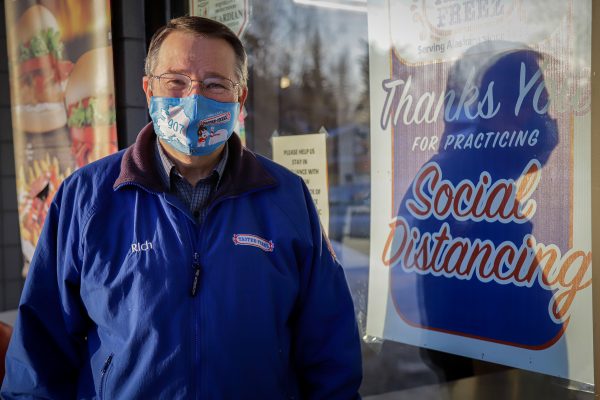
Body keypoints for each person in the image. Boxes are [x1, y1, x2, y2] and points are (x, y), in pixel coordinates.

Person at [1, 16, 362, 399]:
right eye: (175, 81)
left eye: (214, 84)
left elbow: (328, 348)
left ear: (240, 97)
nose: (193, 98)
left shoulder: (286, 197)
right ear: (148, 90)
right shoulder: (86, 198)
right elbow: (40, 354)